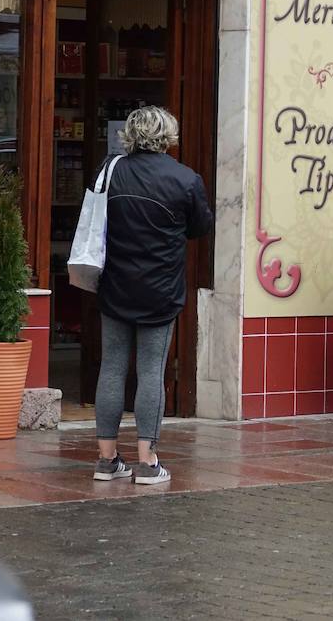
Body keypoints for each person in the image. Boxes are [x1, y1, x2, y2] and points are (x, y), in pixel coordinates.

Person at [92, 106, 213, 486]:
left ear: (130, 134)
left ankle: (107, 460)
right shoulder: (185, 179)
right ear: (168, 137)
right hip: (160, 291)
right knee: (151, 372)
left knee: (111, 367)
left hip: (114, 285)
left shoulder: (110, 170)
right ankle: (147, 462)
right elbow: (201, 227)